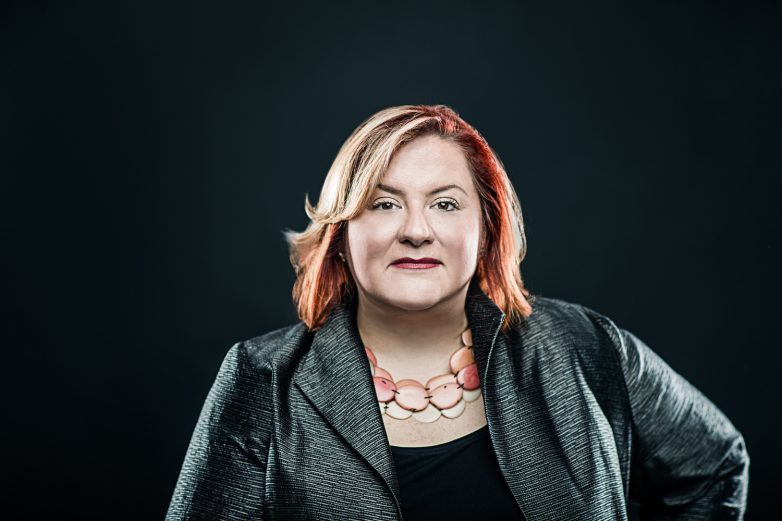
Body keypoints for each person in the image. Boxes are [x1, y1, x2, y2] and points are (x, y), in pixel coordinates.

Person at [165, 104, 750, 520]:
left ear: (485, 228)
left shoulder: (583, 345)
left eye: (445, 204)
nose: (416, 230)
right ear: (342, 231)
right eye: (383, 204)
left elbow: (714, 464)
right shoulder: (262, 377)